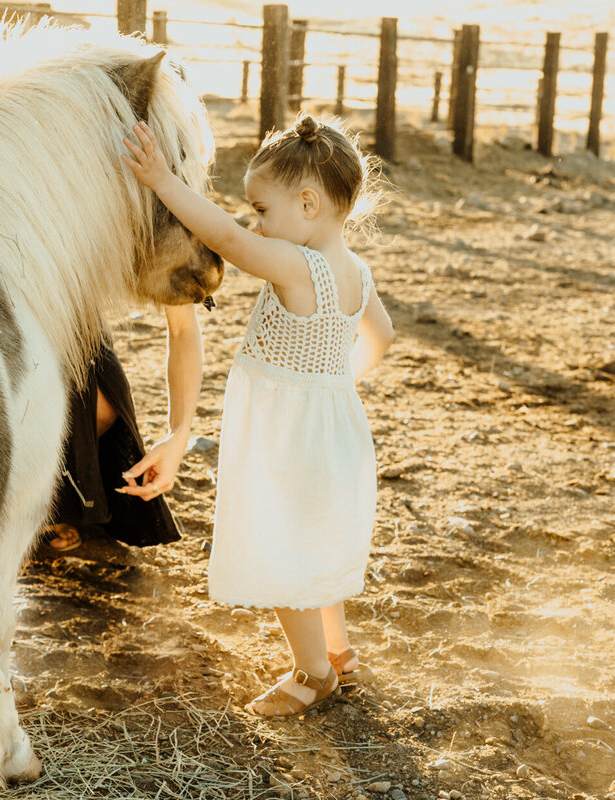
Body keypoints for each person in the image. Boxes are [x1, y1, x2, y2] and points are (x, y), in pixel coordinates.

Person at [122, 112, 394, 717]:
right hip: (330, 427)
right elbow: (382, 335)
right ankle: (338, 649)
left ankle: (314, 672)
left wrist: (165, 182)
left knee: (285, 550)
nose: (256, 222)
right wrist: (334, 382)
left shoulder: (301, 267)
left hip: (289, 436)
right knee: (314, 542)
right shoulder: (358, 273)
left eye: (263, 210)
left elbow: (232, 243)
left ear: (307, 203)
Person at [40, 305, 203, 553]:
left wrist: (179, 434)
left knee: (101, 403)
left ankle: (57, 499)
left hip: (78, 321)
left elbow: (183, 327)